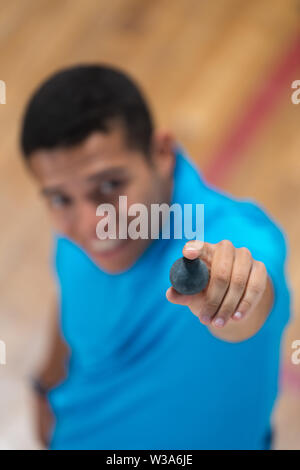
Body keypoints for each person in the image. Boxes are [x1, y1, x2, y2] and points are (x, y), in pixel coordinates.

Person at [20, 64, 291, 450]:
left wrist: (234, 293)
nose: (93, 224)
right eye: (60, 198)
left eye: (110, 186)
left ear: (161, 152)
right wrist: (44, 381)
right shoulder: (78, 228)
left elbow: (248, 303)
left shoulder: (245, 240)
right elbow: (70, 294)